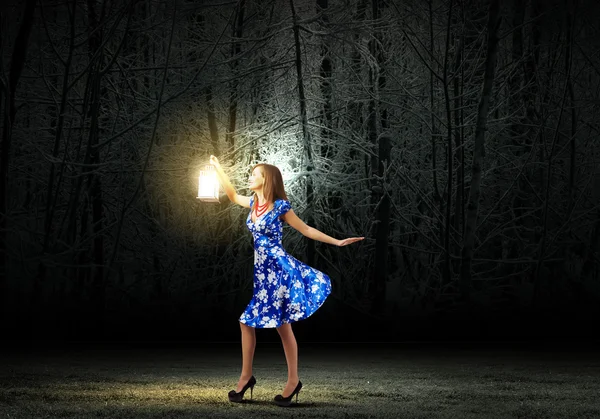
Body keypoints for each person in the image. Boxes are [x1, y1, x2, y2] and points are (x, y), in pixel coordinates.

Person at [209, 155, 364, 407]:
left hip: (279, 270)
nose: (250, 177)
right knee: (255, 324)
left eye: (255, 174)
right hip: (262, 274)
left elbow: (306, 230)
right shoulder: (252, 204)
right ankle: (250, 377)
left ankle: (284, 380)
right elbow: (230, 194)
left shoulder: (280, 206)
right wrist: (217, 170)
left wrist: (337, 241)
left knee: (275, 324)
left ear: (266, 179)